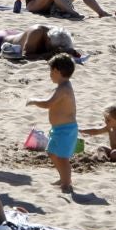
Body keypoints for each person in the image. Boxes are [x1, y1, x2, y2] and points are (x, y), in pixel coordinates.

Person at [28, 54, 79, 193]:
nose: (50, 75)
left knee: (63, 158)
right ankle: (63, 178)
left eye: (51, 71)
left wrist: (34, 100)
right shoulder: (61, 86)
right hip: (58, 129)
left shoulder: (64, 88)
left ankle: (67, 183)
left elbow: (48, 104)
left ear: (57, 71)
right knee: (52, 153)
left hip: (66, 130)